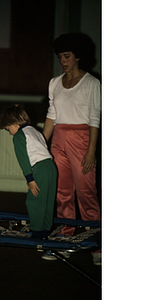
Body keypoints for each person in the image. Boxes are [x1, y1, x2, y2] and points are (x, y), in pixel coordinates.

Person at [42, 33, 101, 265]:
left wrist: (91, 151)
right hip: (58, 140)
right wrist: (41, 146)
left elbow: (94, 119)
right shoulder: (55, 83)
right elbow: (51, 117)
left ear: (77, 56)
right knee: (62, 193)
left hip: (82, 140)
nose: (63, 61)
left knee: (86, 193)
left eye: (66, 56)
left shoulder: (92, 83)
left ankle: (97, 244)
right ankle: (66, 240)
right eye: (60, 57)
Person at [0, 104, 57, 239]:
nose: (9, 132)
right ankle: (45, 230)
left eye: (8, 129)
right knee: (47, 200)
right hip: (51, 167)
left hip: (39, 168)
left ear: (13, 123)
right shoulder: (35, 131)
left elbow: (23, 160)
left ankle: (37, 232)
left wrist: (30, 179)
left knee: (34, 200)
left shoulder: (19, 136)